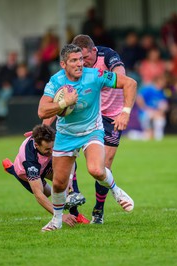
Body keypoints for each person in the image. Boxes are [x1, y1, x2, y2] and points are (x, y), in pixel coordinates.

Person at [38, 44, 137, 232]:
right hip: (66, 134)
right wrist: (63, 103)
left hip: (92, 130)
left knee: (96, 170)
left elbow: (130, 83)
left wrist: (125, 112)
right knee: (59, 183)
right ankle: (56, 221)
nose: (79, 64)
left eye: (81, 59)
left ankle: (116, 190)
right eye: (74, 60)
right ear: (63, 64)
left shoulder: (95, 75)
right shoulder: (56, 81)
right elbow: (42, 110)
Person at [71, 34, 128, 224]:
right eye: (79, 59)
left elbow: (122, 76)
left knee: (104, 165)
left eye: (86, 58)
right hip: (89, 114)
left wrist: (106, 80)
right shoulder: (76, 65)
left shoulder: (108, 55)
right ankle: (74, 200)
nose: (83, 63)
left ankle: (99, 209)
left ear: (94, 51)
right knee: (69, 153)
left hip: (112, 116)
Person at [2, 124, 90, 226]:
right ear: (37, 145)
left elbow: (71, 159)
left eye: (53, 147)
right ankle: (11, 169)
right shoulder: (29, 160)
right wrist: (60, 216)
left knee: (63, 179)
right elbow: (39, 195)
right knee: (46, 193)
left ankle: (75, 214)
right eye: (47, 149)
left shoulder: (55, 137)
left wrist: (69, 181)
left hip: (46, 164)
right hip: (25, 173)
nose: (52, 151)